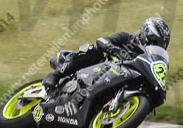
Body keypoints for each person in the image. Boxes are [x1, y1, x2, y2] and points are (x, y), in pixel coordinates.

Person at [42, 16, 170, 92]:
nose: (155, 45)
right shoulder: (126, 38)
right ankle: (55, 75)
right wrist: (113, 49)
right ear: (145, 33)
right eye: (154, 41)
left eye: (159, 44)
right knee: (93, 50)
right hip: (95, 68)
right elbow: (101, 40)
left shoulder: (143, 60)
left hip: (109, 82)